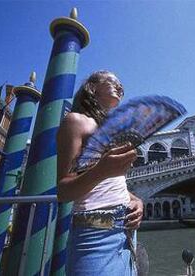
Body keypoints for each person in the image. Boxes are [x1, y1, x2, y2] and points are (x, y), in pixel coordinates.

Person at [56, 70, 144, 275]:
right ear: (92, 87)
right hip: (95, 235)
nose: (120, 87)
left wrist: (136, 199)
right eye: (113, 81)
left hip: (127, 230)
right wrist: (102, 170)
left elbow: (110, 184)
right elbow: (63, 191)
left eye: (122, 85)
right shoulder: (76, 121)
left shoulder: (111, 131)